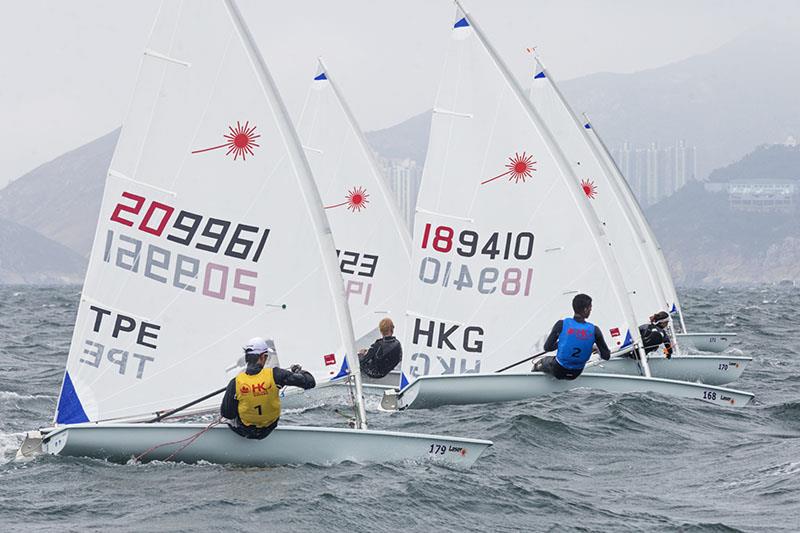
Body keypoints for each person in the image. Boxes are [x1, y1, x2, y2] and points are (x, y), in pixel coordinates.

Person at [220, 337, 315, 440]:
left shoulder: (235, 383)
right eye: (266, 356)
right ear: (262, 357)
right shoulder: (276, 375)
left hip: (245, 431)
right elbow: (310, 382)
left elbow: (227, 414)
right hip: (269, 428)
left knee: (226, 415)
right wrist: (298, 372)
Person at [532, 293, 611, 380]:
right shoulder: (595, 330)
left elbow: (547, 348)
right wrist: (595, 348)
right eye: (590, 308)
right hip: (576, 373)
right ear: (585, 309)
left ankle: (532, 381)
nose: (590, 311)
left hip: (558, 370)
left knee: (542, 361)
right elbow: (606, 356)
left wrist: (562, 343)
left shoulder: (561, 324)